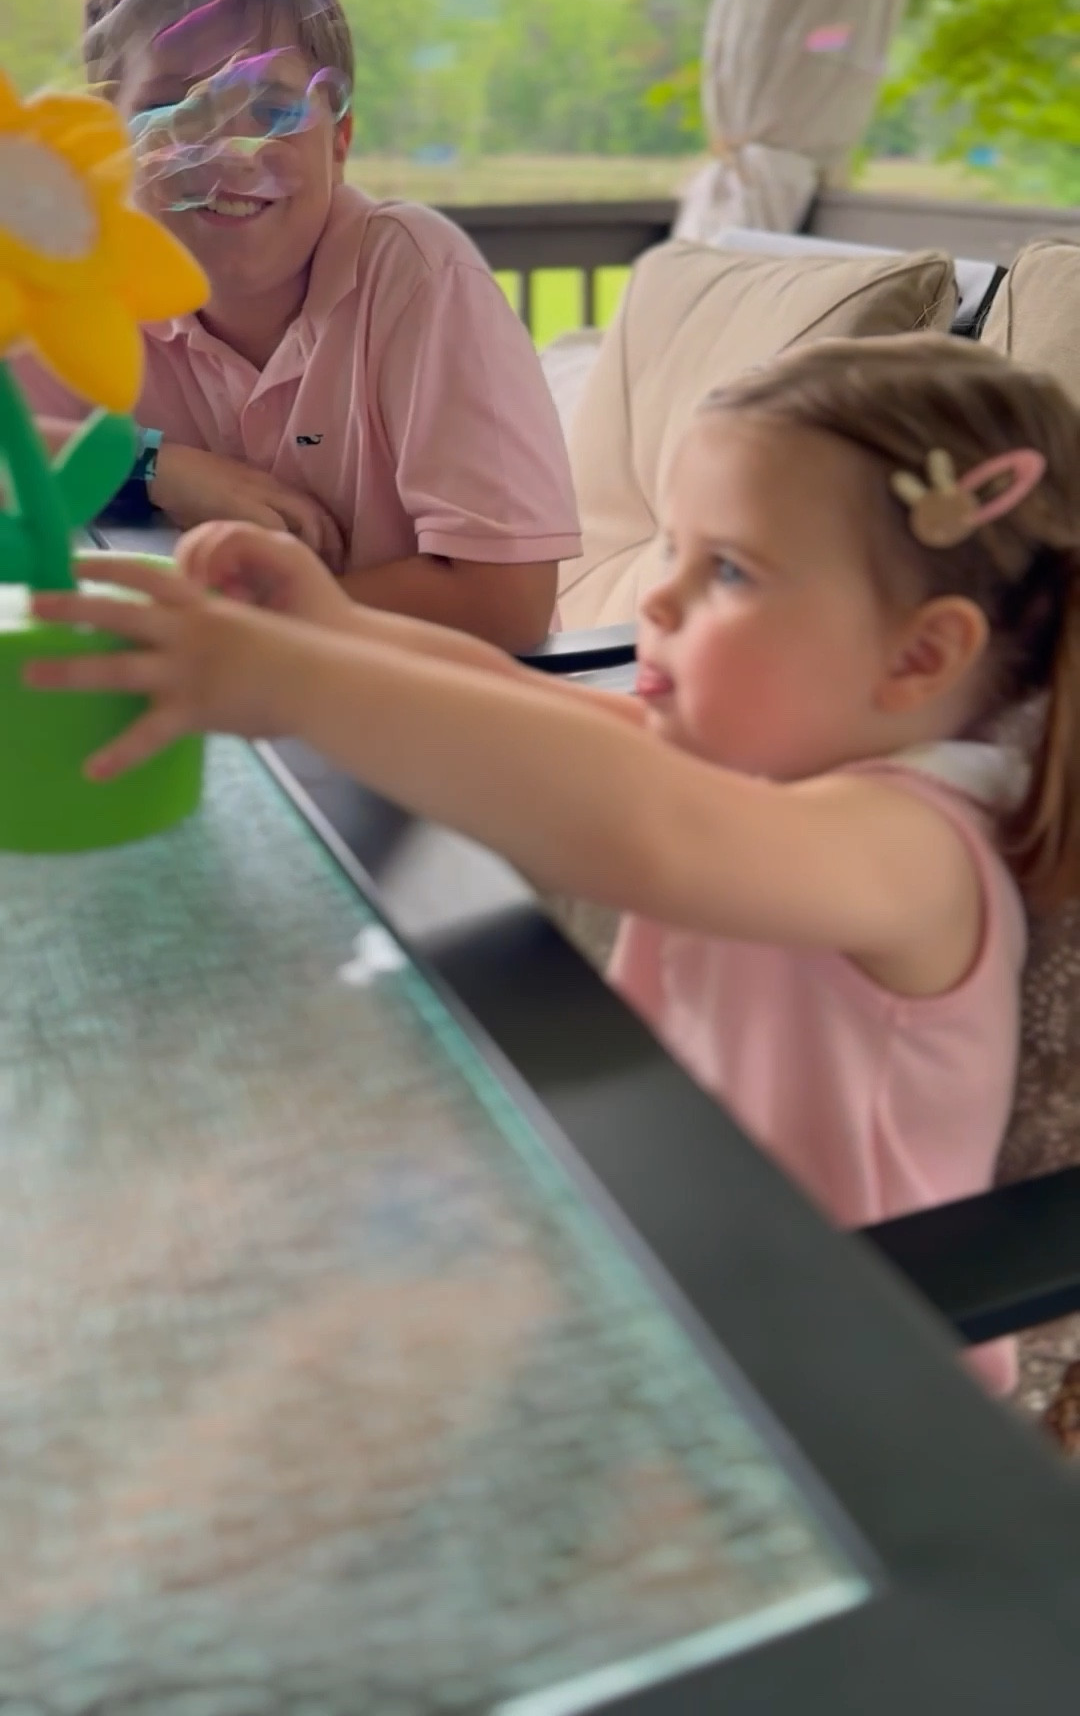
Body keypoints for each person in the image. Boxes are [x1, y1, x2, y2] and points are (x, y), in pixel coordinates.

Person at [32, 334, 1080, 1392]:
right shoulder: (768, 766)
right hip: (671, 1254)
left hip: (838, 1375)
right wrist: (331, 626)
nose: (656, 603)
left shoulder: (918, 846)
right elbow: (520, 698)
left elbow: (654, 834)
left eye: (726, 570)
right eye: (671, 548)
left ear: (918, 656)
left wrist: (292, 682)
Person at [16, 0, 581, 651]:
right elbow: (10, 445)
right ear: (107, 141)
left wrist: (229, 633)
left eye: (273, 109)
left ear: (340, 140)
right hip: (217, 722)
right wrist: (160, 466)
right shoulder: (86, 283)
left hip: (429, 720)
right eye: (167, 109)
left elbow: (506, 604)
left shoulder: (413, 272)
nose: (230, 151)